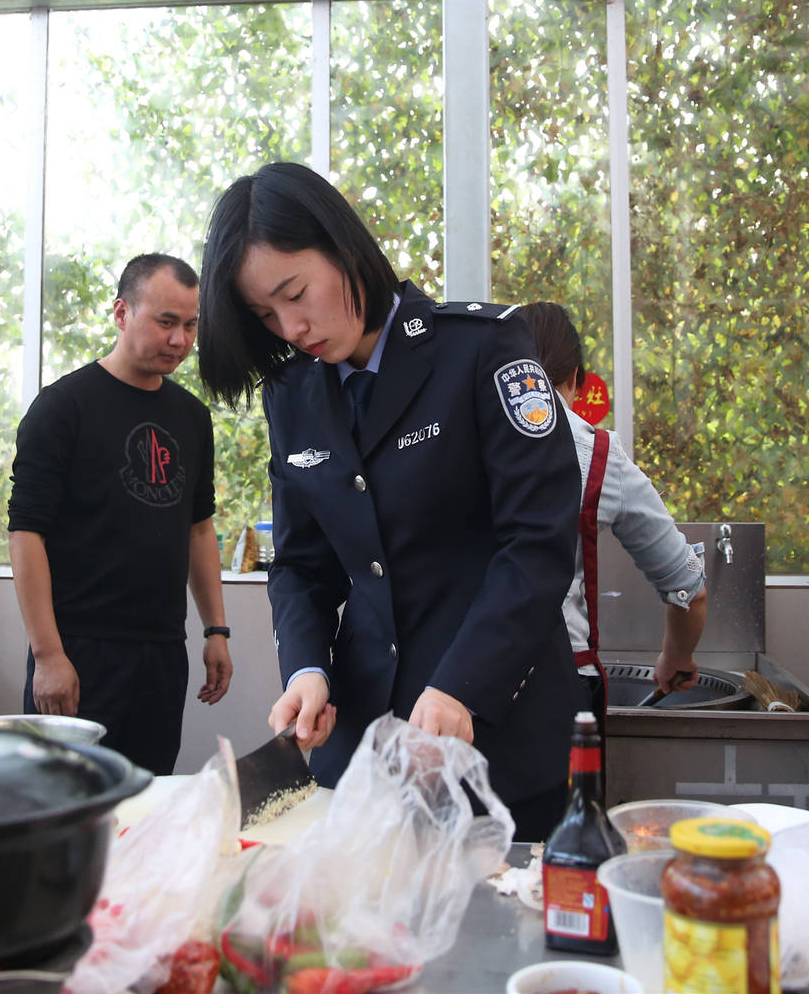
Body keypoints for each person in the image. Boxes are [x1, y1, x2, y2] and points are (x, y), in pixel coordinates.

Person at [196, 162, 584, 840]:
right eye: (266, 314)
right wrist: (309, 668)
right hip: (362, 743)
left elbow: (538, 543)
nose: (290, 326)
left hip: (499, 734)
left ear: (344, 246)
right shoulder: (293, 397)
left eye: (296, 292)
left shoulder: (483, 352)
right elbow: (301, 566)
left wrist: (464, 681)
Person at [6, 254, 231, 774]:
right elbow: (26, 534)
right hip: (78, 652)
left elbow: (199, 528)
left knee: (147, 807)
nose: (180, 340)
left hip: (161, 655)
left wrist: (216, 630)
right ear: (121, 313)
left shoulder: (192, 417)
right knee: (64, 812)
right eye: (166, 322)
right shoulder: (63, 408)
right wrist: (47, 656)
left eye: (191, 325)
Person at [515, 302, 707, 722]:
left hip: (451, 692)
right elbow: (688, 588)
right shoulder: (597, 455)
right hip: (559, 689)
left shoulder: (446, 440)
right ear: (576, 382)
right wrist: (676, 657)